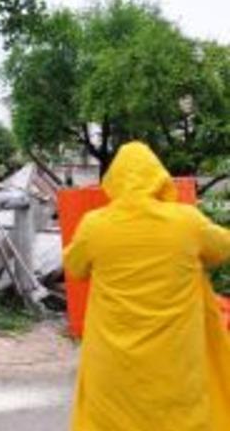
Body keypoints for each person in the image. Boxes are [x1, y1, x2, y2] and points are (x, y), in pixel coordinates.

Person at [64, 142, 230, 431]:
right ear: (159, 177)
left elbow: (75, 268)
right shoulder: (187, 222)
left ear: (113, 180)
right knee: (181, 418)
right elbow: (221, 250)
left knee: (112, 419)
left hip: (114, 360)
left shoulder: (95, 225)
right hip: (177, 359)